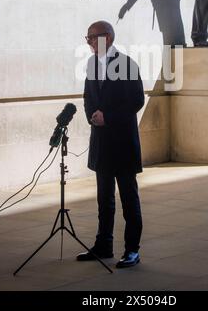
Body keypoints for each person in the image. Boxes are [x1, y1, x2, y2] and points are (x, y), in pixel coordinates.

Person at [76, 21, 144, 268]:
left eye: (93, 37)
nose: (90, 42)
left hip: (123, 144)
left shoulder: (126, 64)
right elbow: (88, 96)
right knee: (104, 199)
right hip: (101, 143)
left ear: (108, 37)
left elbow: (136, 101)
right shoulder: (92, 64)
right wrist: (92, 116)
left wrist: (109, 117)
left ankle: (132, 250)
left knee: (128, 198)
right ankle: (104, 245)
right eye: (88, 38)